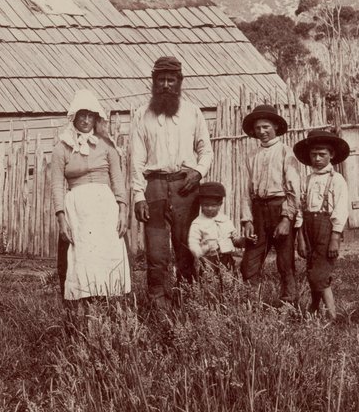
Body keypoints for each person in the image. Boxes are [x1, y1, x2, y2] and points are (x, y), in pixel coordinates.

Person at [129, 55, 213, 302]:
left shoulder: (193, 112)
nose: (166, 85)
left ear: (179, 82)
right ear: (154, 82)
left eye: (171, 80)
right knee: (156, 254)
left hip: (185, 188)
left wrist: (198, 172)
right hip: (154, 188)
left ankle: (187, 304)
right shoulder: (141, 115)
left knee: (186, 249)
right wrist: (138, 195)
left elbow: (206, 150)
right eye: (161, 80)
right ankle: (159, 307)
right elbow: (136, 159)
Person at [50, 89, 131, 302]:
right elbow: (57, 185)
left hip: (104, 208)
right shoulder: (62, 147)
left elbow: (118, 180)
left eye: (90, 116)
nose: (86, 121)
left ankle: (110, 305)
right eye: (82, 115)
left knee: (107, 255)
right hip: (78, 209)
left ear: (96, 118)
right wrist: (61, 218)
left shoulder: (107, 145)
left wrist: (122, 211)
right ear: (74, 117)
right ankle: (80, 305)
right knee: (79, 257)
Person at [239, 104, 302, 305]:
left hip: (279, 208)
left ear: (275, 126)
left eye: (266, 127)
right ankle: (251, 305)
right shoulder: (252, 156)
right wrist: (247, 220)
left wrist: (286, 218)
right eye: (258, 128)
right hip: (258, 211)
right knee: (250, 262)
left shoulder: (286, 152)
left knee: (285, 261)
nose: (262, 131)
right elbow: (246, 191)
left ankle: (289, 304)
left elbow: (293, 189)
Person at [292, 127, 351, 319]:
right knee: (311, 269)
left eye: (322, 154)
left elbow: (341, 210)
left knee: (320, 273)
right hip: (308, 228)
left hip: (327, 229)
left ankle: (333, 315)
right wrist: (300, 238)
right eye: (313, 154)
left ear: (331, 155)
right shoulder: (307, 180)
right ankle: (315, 306)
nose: (317, 158)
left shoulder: (337, 180)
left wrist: (335, 238)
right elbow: (300, 209)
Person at [187, 181, 252, 283]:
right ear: (201, 204)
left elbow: (235, 239)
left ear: (220, 204)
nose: (209, 208)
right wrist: (201, 252)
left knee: (228, 282)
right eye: (206, 205)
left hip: (226, 259)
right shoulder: (198, 223)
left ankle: (228, 292)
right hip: (208, 260)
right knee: (209, 283)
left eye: (213, 205)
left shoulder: (225, 220)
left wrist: (245, 241)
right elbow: (193, 243)